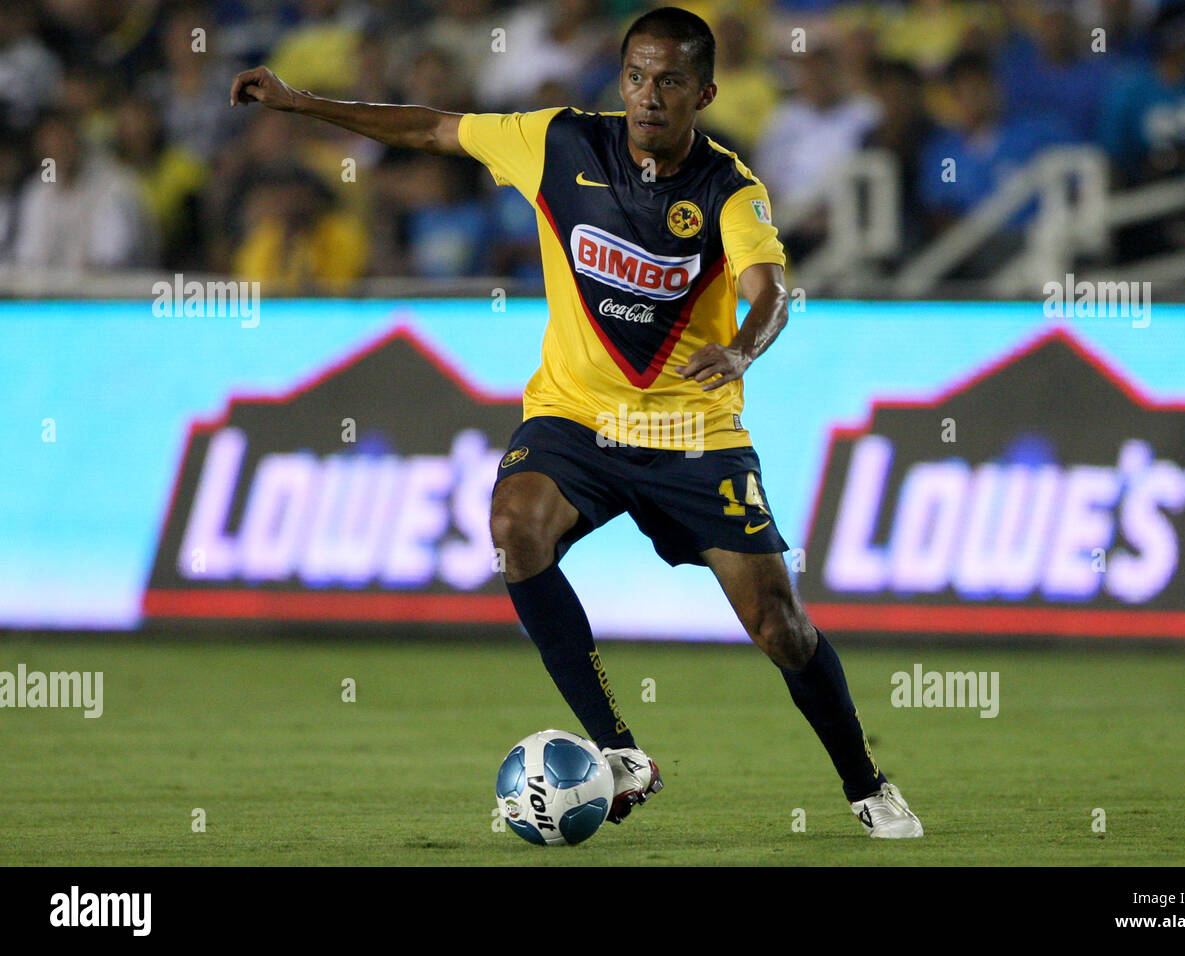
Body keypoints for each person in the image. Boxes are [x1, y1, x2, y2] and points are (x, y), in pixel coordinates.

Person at [230, 6, 923, 838]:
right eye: (636, 76)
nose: (649, 96)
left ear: (704, 91)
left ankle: (865, 783)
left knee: (780, 628)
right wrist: (302, 103)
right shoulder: (558, 142)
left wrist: (741, 351)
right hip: (575, 415)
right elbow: (432, 129)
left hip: (690, 431)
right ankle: (620, 752)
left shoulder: (729, 188)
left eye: (670, 81)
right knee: (513, 527)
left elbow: (771, 288)